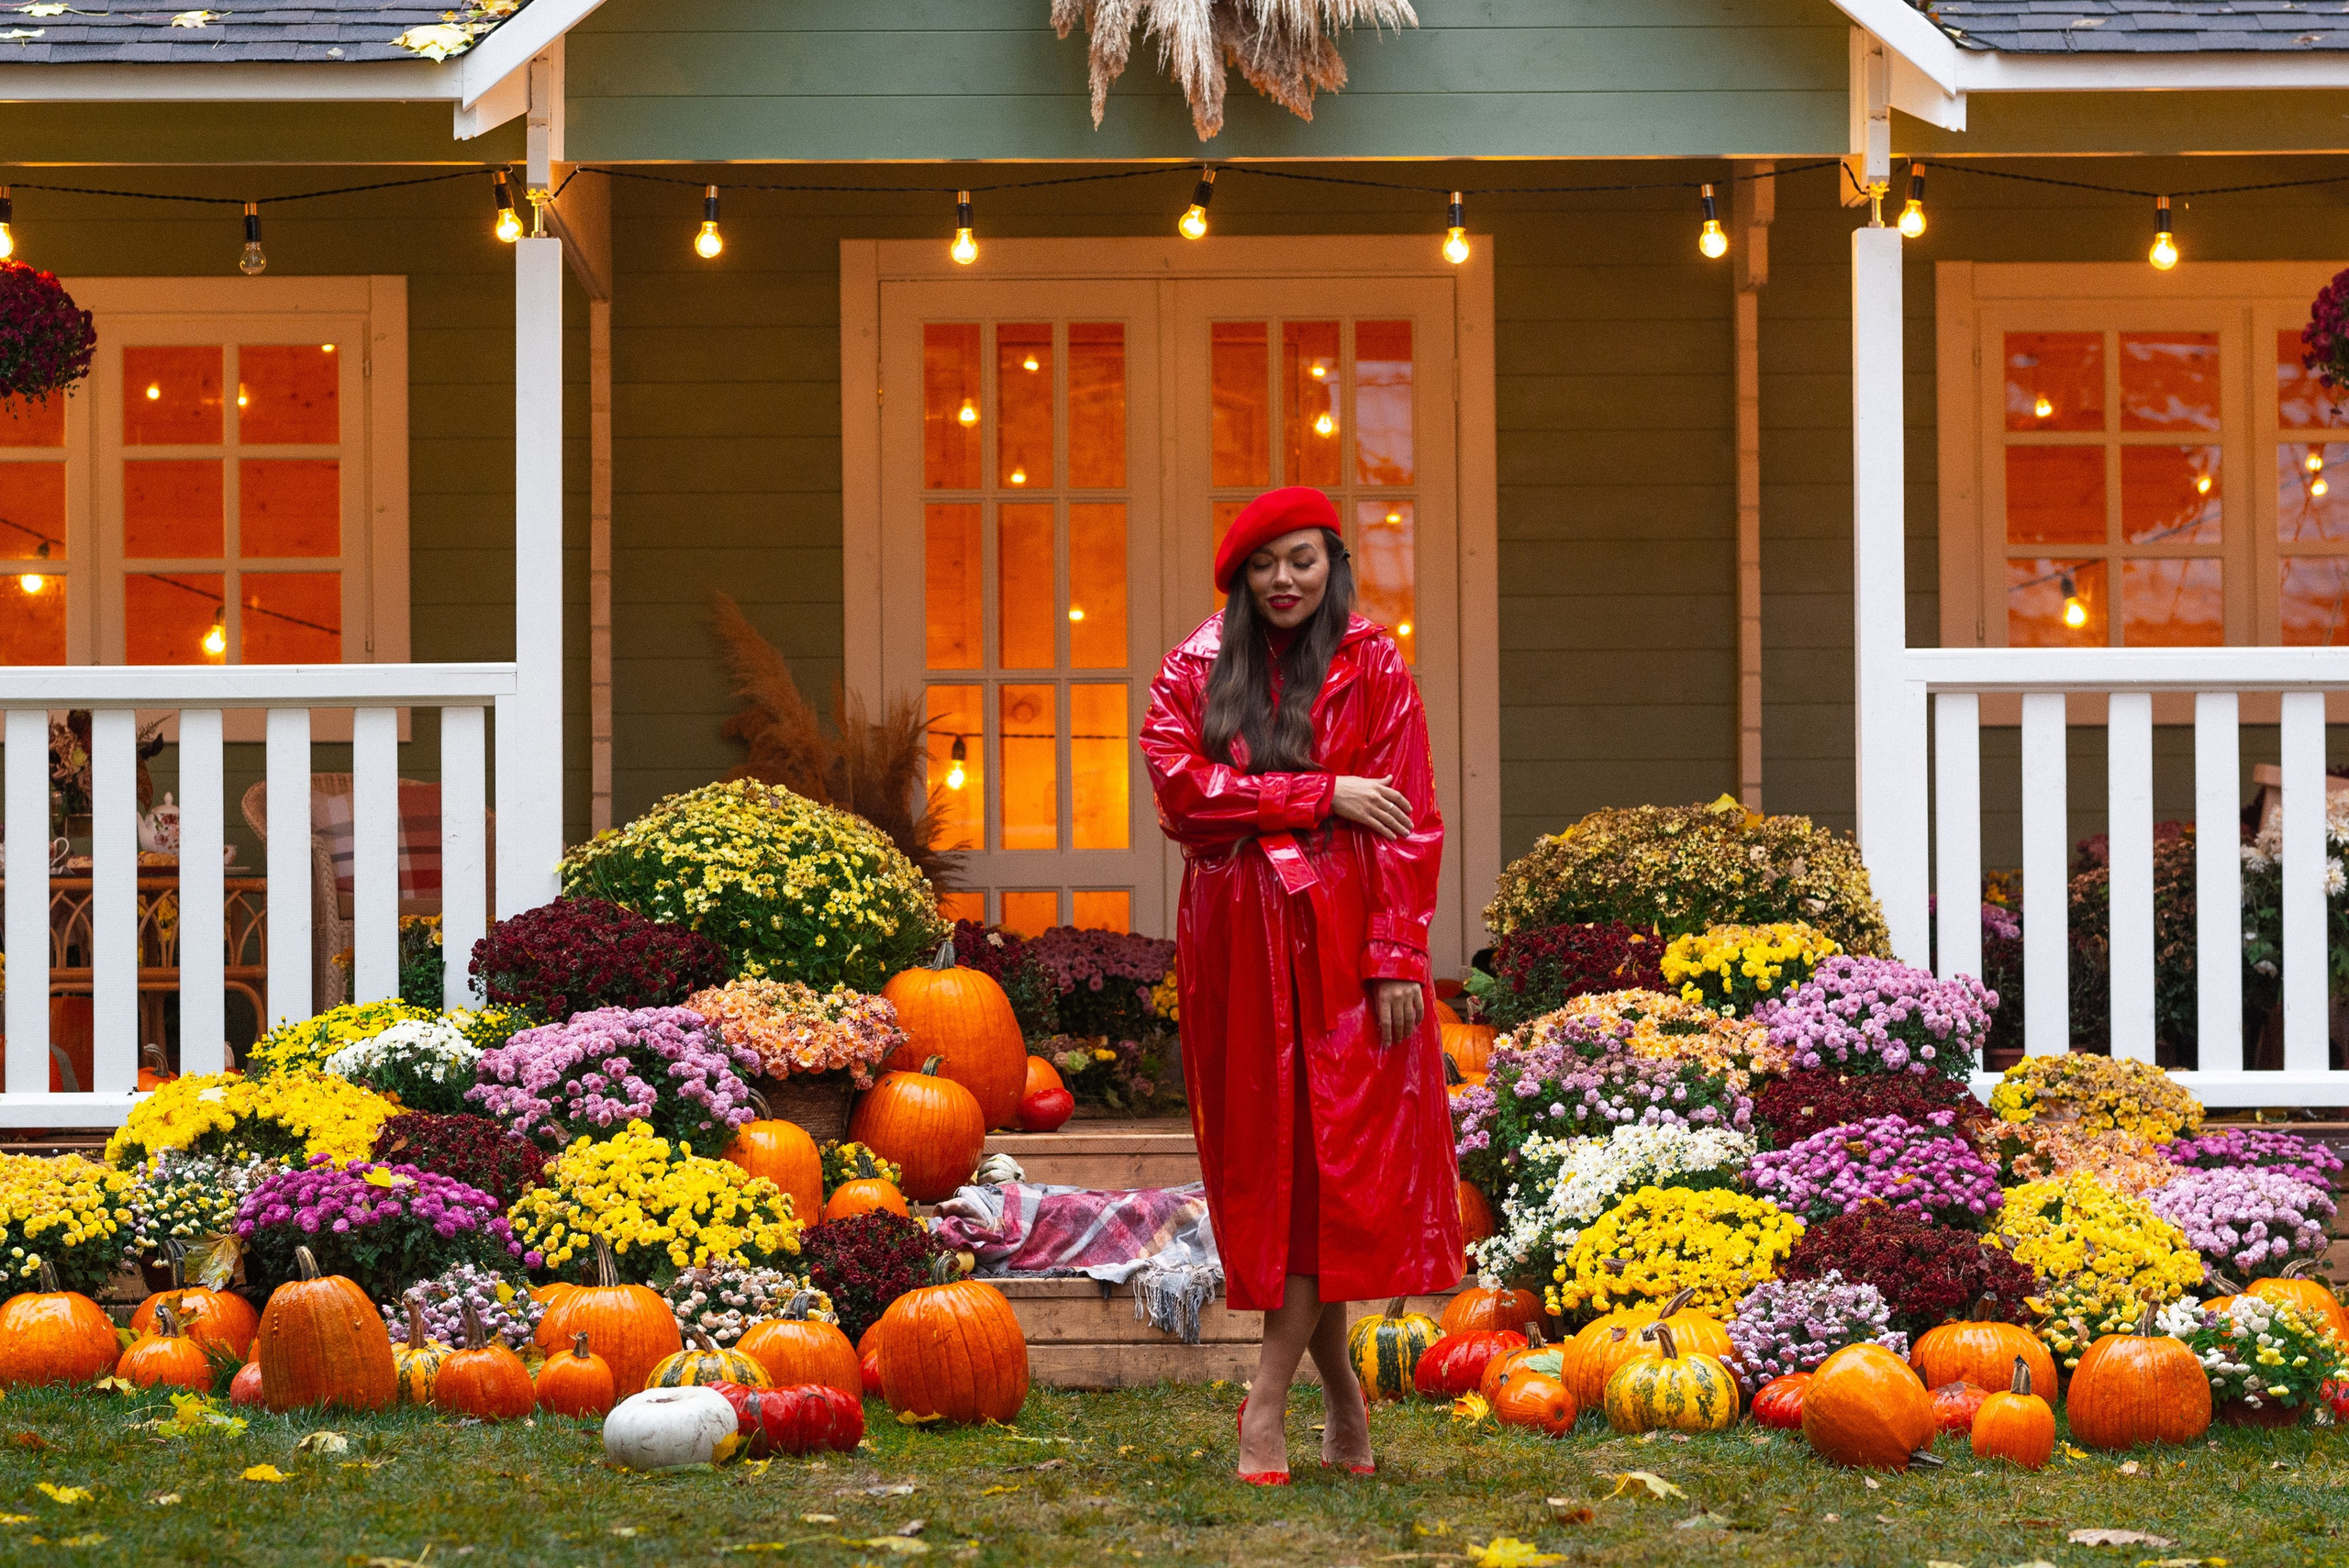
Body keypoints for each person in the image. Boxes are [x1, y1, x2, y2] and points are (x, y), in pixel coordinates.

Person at [1140, 484, 1461, 1485]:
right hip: (1238, 935)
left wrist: (1397, 952)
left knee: (1341, 1173)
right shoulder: (1194, 665)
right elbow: (1182, 792)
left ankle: (1265, 1404)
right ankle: (1345, 1399)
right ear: (1241, 575)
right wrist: (1318, 791)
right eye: (1266, 563)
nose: (1285, 580)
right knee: (1275, 1174)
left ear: (1333, 565)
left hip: (1347, 929)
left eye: (1303, 560)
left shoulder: (1374, 662)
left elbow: (1408, 816)